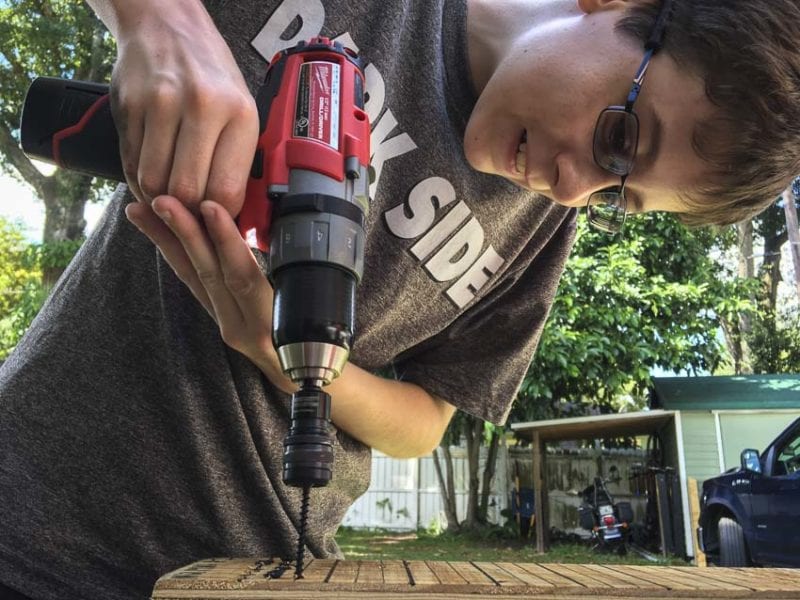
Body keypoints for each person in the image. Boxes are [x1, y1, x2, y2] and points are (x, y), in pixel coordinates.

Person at [1, 0, 799, 598]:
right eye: (620, 137)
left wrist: (282, 353)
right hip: (32, 513)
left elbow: (426, 421)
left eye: (616, 199)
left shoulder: (541, 231)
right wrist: (161, 25)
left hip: (255, 571)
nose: (573, 186)